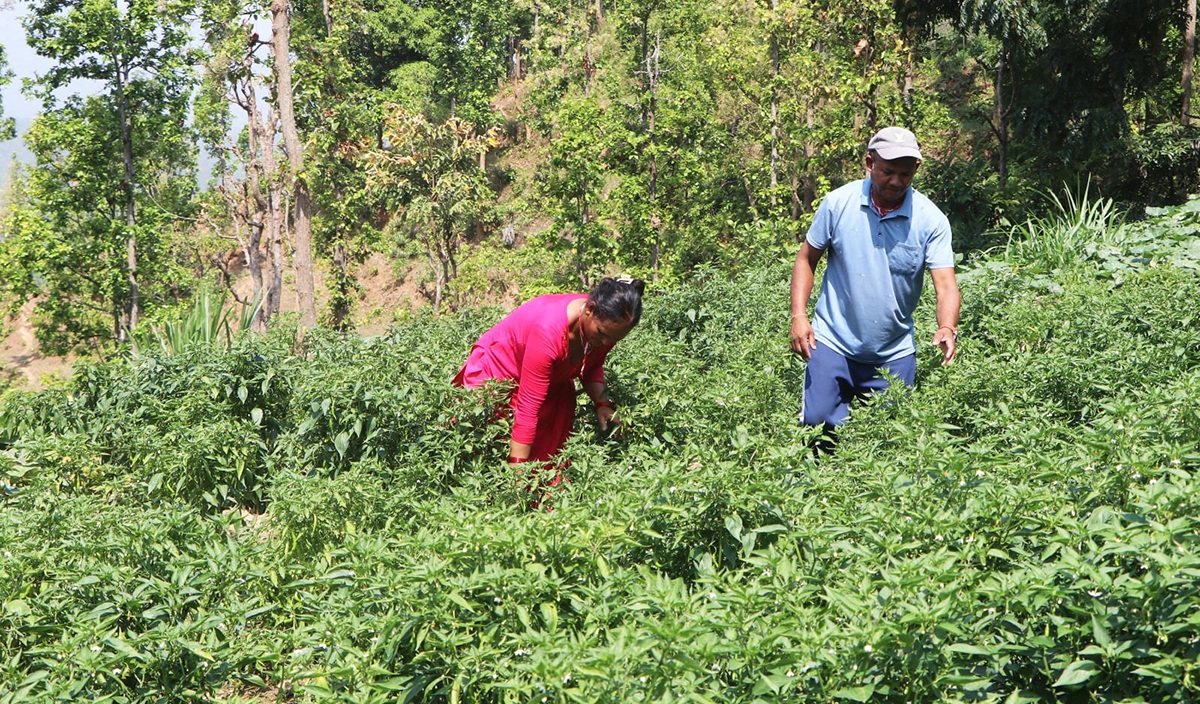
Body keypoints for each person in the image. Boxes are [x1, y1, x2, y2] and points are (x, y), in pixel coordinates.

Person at [789, 126, 961, 430]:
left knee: (888, 438)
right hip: (832, 340)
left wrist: (947, 327)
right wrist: (799, 316)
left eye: (905, 174)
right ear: (870, 163)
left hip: (893, 351)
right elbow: (806, 259)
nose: (896, 181)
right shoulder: (838, 203)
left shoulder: (930, 219)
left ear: (916, 169)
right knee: (817, 428)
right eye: (888, 171)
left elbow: (945, 285)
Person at [454, 276, 645, 470]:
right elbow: (528, 408)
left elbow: (592, 365)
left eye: (614, 339)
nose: (606, 342)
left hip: (551, 379)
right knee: (491, 455)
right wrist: (517, 470)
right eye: (602, 334)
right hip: (499, 374)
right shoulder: (548, 331)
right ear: (589, 310)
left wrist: (602, 403)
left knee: (550, 463)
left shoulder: (606, 326)